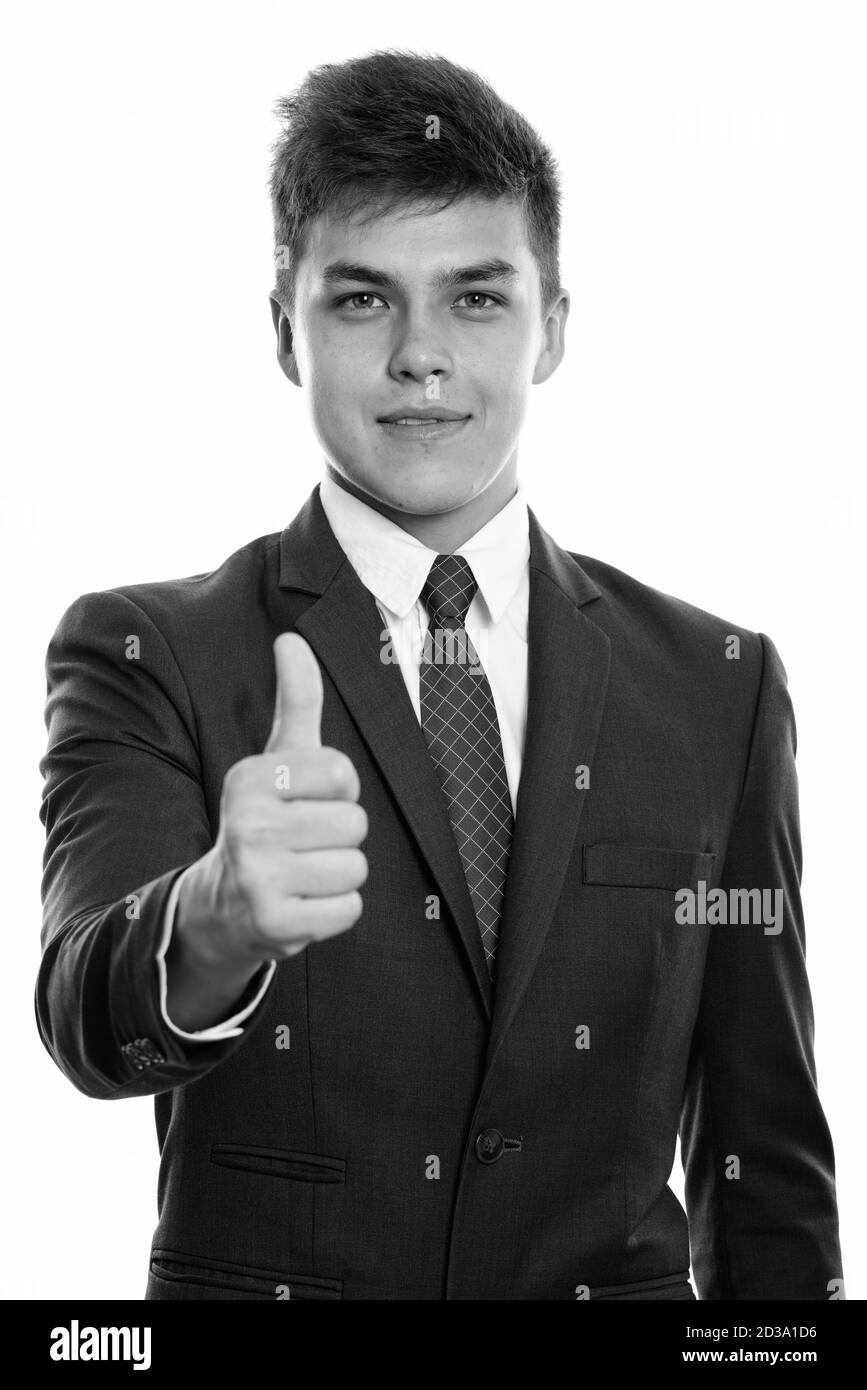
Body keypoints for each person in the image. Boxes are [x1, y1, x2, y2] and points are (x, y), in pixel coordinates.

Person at [37, 50, 843, 1301]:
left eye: (476, 298)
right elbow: (89, 1016)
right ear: (284, 333)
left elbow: (763, 1144)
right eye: (362, 301)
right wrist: (212, 920)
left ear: (553, 326)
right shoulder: (151, 654)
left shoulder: (718, 688)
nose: (421, 355)